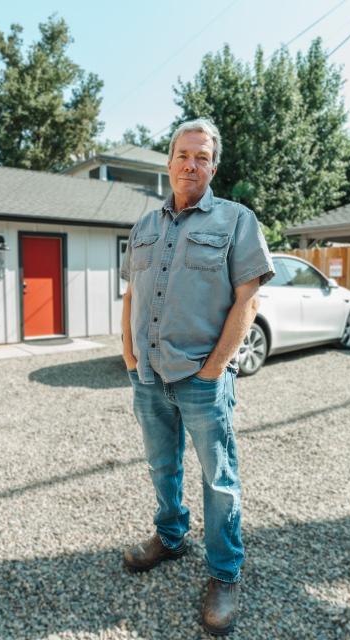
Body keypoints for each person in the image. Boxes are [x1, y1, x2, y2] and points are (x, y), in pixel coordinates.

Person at [119, 118, 274, 636]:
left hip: (202, 379)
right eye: (183, 155)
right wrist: (129, 356)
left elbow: (247, 299)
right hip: (148, 376)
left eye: (202, 156)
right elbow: (131, 297)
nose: (191, 164)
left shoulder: (237, 221)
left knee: (219, 481)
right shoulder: (144, 227)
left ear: (213, 166)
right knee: (162, 468)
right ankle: (169, 537)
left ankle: (224, 573)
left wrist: (214, 371)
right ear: (169, 162)